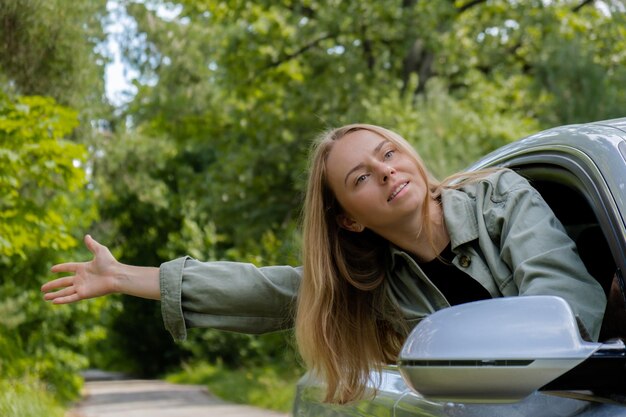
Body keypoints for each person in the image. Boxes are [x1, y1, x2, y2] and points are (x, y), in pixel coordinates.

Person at [42, 123, 607, 404]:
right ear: (349, 220)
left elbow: (562, 307)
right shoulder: (376, 286)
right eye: (361, 177)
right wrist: (121, 277)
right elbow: (267, 291)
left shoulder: (501, 197)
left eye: (387, 153)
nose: (386, 171)